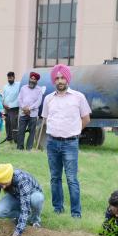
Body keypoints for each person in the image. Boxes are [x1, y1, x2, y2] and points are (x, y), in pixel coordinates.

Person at [42, 64, 91, 218]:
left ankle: (76, 213)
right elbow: (45, 119)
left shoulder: (78, 97)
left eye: (63, 77)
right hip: (52, 143)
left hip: (70, 143)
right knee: (55, 177)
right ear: (53, 81)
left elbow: (86, 118)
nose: (60, 81)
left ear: (68, 79)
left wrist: (75, 132)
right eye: (57, 78)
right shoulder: (48, 99)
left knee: (71, 179)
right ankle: (58, 209)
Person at [0, 164, 44, 236]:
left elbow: (25, 208)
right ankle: (22, 218)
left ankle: (34, 220)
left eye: (5, 183)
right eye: (1, 184)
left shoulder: (22, 180)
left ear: (10, 177)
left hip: (32, 195)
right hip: (15, 196)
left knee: (37, 199)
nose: (3, 187)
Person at [17, 72, 43, 150]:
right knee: (21, 131)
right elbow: (19, 99)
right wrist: (23, 108)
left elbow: (38, 102)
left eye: (34, 79)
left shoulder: (39, 89)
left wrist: (29, 108)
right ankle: (20, 147)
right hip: (23, 113)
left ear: (36, 81)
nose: (32, 80)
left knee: (32, 132)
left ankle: (29, 148)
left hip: (33, 114)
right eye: (31, 78)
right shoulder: (23, 88)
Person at [2, 71, 21, 143]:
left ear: (14, 77)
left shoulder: (18, 85)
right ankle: (9, 138)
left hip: (14, 108)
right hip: (6, 108)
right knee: (7, 123)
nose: (9, 79)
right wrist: (3, 104)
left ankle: (16, 139)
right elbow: (3, 97)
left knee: (14, 123)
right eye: (8, 78)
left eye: (11, 78)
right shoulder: (5, 86)